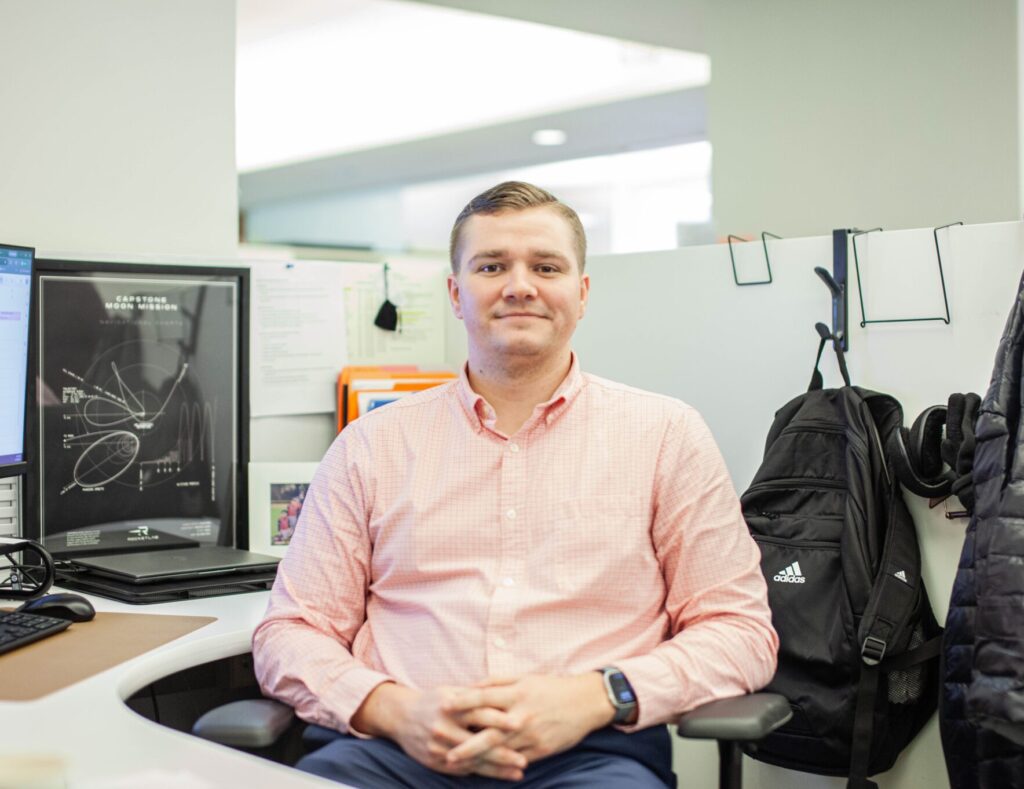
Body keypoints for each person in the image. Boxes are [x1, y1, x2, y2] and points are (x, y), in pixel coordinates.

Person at [253, 181, 778, 788]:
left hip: (589, 756)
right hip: (390, 752)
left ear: (581, 295)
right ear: (455, 293)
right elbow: (291, 632)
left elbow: (740, 632)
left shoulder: (665, 435)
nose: (520, 284)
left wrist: (596, 696)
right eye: (492, 265)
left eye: (546, 266)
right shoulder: (372, 445)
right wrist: (395, 710)